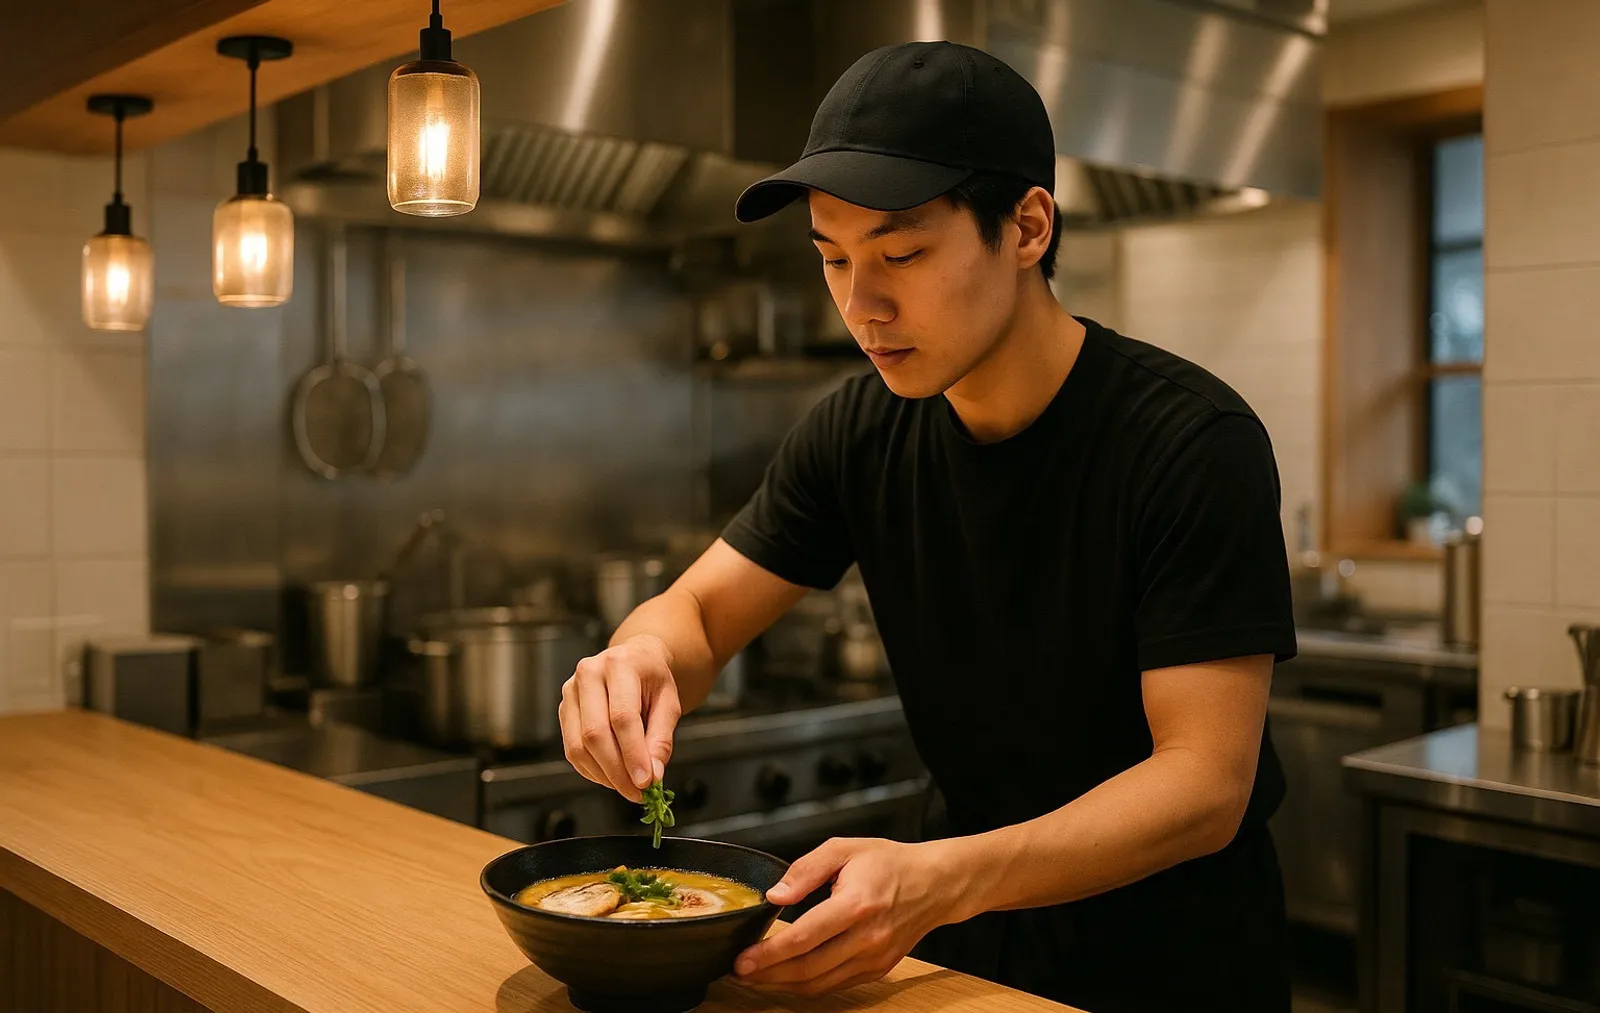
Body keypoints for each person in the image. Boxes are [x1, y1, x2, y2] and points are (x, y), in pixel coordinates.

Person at [558, 39, 1296, 1013]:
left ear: (1027, 225)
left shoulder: (1188, 440)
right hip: (960, 948)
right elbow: (696, 614)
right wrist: (636, 659)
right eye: (832, 257)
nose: (862, 305)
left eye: (900, 253)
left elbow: (1203, 782)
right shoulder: (857, 428)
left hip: (1170, 951)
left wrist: (943, 875)